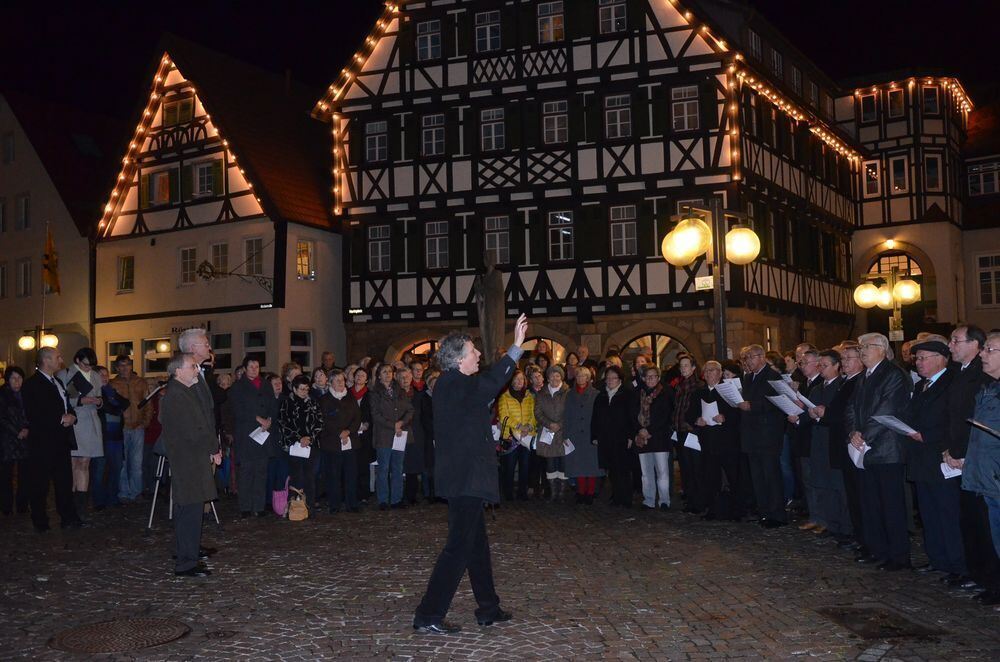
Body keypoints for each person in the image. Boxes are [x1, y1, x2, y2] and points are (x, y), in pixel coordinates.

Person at [412, 314, 527, 634]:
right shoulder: (452, 383)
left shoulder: (458, 385)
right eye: (473, 351)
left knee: (476, 546)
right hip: (464, 478)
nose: (478, 354)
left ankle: (488, 608)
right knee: (458, 548)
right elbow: (491, 383)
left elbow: (485, 388)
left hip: (467, 477)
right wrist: (515, 348)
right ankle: (428, 614)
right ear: (459, 359)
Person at [846, 333, 913, 570]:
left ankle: (898, 556)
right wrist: (853, 431)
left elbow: (888, 409)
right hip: (866, 448)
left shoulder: (894, 375)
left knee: (891, 504)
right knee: (871, 503)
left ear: (882, 350)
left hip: (887, 449)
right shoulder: (865, 376)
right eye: (860, 346)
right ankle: (878, 549)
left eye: (867, 346)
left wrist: (864, 435)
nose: (862, 350)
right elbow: (853, 407)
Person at [901, 339, 966, 578]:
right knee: (929, 512)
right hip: (920, 458)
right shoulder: (921, 386)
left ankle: (957, 564)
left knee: (948, 512)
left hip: (940, 456)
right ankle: (937, 558)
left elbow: (954, 420)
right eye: (917, 358)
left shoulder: (952, 383)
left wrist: (927, 435)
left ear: (941, 358)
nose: (918, 362)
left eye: (923, 358)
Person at [943, 325, 999, 600]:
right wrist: (951, 449)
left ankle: (992, 580)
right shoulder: (971, 379)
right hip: (972, 465)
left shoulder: (985, 381)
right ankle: (981, 576)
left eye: (990, 350)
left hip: (988, 469)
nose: (984, 355)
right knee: (975, 525)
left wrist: (962, 452)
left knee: (989, 529)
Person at [159, 353, 221, 577]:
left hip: (191, 459)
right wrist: (213, 448)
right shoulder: (176, 396)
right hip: (188, 461)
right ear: (178, 372)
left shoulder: (184, 391)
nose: (196, 370)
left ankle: (188, 555)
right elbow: (195, 430)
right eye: (191, 367)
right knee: (190, 512)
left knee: (191, 510)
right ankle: (186, 562)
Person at [22, 347, 82, 532]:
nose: (61, 359)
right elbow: (34, 413)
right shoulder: (32, 384)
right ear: (46, 360)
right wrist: (59, 419)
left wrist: (72, 416)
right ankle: (40, 521)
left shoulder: (57, 382)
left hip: (61, 441)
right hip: (42, 443)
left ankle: (68, 517)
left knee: (64, 481)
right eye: (57, 357)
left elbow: (66, 405)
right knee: (39, 483)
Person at [961, 330, 1000, 605]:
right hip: (985, 475)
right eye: (984, 349)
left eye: (990, 350)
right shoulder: (987, 388)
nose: (983, 355)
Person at [738, 344, 786, 528]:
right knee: (757, 476)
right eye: (746, 358)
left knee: (771, 475)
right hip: (751, 433)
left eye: (751, 357)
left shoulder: (773, 376)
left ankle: (777, 514)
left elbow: (776, 403)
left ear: (761, 357)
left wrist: (753, 406)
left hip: (767, 434)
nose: (748, 361)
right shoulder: (749, 378)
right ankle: (764, 511)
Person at [689, 361, 742, 520]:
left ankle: (736, 510)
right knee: (710, 477)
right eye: (706, 371)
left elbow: (739, 412)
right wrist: (697, 420)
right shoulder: (699, 393)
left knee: (733, 476)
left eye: (712, 370)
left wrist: (724, 417)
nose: (708, 373)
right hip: (708, 440)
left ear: (720, 373)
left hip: (727, 441)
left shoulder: (728, 390)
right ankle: (713, 509)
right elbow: (690, 413)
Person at [228, 357, 278, 517]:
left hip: (263, 433)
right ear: (244, 368)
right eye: (251, 366)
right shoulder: (237, 387)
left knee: (261, 471)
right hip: (247, 433)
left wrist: (269, 419)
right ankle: (245, 507)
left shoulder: (265, 384)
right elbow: (237, 410)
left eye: (257, 366)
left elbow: (272, 404)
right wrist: (257, 419)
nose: (254, 369)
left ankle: (259, 505)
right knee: (247, 471)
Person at [59, 348, 104, 516]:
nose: (88, 368)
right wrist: (79, 400)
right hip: (75, 420)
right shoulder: (65, 374)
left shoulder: (96, 375)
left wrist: (98, 401)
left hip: (91, 420)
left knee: (85, 462)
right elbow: (60, 399)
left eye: (91, 365)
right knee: (72, 463)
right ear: (77, 360)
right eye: (85, 365)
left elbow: (100, 398)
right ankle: (69, 504)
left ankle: (81, 505)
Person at [787, 349, 822, 531]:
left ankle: (820, 517)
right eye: (800, 363)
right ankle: (814, 514)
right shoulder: (805, 383)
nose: (801, 366)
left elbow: (814, 410)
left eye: (804, 362)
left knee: (814, 479)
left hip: (813, 438)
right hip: (802, 437)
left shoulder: (820, 383)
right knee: (806, 479)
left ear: (817, 363)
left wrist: (800, 414)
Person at [370, 364, 413, 510]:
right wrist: (392, 425)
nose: (388, 374)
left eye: (390, 371)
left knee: (397, 468)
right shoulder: (375, 393)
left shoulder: (399, 390)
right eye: (384, 372)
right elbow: (375, 414)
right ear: (379, 375)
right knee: (383, 468)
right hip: (384, 435)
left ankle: (396, 499)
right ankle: (383, 499)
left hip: (399, 434)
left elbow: (410, 410)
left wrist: (401, 423)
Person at [318, 370, 361, 513]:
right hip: (332, 443)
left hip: (350, 441)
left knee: (351, 474)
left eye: (342, 380)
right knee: (333, 474)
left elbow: (357, 418)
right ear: (330, 382)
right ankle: (334, 504)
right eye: (337, 380)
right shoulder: (324, 400)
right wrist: (339, 432)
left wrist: (348, 431)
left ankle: (352, 503)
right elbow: (324, 420)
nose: (341, 383)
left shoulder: (351, 398)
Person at [593, 365, 636, 507]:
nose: (610, 380)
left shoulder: (627, 395)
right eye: (608, 378)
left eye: (614, 378)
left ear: (620, 380)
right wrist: (595, 436)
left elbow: (632, 417)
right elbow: (595, 418)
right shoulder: (601, 396)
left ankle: (626, 497)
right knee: (611, 469)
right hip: (606, 437)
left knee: (623, 469)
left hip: (621, 437)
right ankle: (616, 496)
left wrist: (631, 436)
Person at [280, 375, 324, 513]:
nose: (305, 392)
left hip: (311, 445)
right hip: (295, 445)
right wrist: (299, 438)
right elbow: (284, 423)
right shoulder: (287, 403)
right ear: (294, 389)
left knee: (310, 476)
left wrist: (309, 437)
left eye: (307, 389)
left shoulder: (313, 403)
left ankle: (309, 505)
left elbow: (319, 421)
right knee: (297, 475)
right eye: (302, 389)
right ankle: (296, 507)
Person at [110, 354, 151, 502]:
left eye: (127, 364)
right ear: (117, 368)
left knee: (137, 462)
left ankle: (136, 491)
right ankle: (124, 492)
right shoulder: (113, 384)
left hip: (138, 427)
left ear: (131, 366)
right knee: (123, 462)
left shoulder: (140, 382)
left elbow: (147, 403)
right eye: (121, 365)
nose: (124, 368)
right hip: (121, 428)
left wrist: (145, 422)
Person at [635, 365, 675, 511]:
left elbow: (665, 416)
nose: (650, 379)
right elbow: (633, 414)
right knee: (646, 473)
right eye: (648, 376)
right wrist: (640, 430)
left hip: (659, 438)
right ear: (644, 378)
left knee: (662, 472)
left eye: (654, 376)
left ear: (658, 378)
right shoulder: (638, 393)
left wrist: (649, 430)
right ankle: (649, 500)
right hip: (643, 438)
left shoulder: (665, 394)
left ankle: (664, 500)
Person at [562, 365, 601, 504]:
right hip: (575, 434)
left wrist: (597, 435)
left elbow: (599, 417)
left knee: (591, 466)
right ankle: (580, 492)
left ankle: (590, 493)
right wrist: (565, 434)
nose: (580, 378)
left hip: (590, 434)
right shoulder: (569, 394)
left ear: (588, 378)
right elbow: (565, 415)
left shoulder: (596, 394)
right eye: (578, 376)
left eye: (583, 376)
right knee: (577, 465)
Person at [672, 354, 705, 513]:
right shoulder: (680, 386)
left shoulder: (698, 386)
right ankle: (691, 500)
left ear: (693, 368)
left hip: (692, 431)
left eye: (686, 365)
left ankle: (699, 501)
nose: (683, 368)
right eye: (681, 366)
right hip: (680, 430)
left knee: (696, 468)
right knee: (685, 468)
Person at [497, 370, 535, 502]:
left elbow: (533, 415)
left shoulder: (529, 397)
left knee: (525, 466)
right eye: (517, 379)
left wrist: (529, 426)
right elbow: (504, 417)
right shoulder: (504, 397)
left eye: (522, 379)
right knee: (510, 467)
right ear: (512, 381)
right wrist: (519, 426)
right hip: (511, 437)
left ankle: (522, 493)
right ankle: (508, 493)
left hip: (526, 436)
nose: (520, 382)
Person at [534, 365, 570, 501]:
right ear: (547, 378)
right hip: (547, 432)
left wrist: (559, 425)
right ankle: (553, 492)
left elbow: (570, 412)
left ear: (561, 377)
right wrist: (550, 424)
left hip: (563, 432)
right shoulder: (541, 394)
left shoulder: (568, 392)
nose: (554, 378)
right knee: (550, 463)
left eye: (557, 375)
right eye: (552, 375)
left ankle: (561, 493)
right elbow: (537, 412)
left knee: (563, 462)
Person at [398, 366, 431, 505]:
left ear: (411, 378)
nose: (405, 379)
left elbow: (424, 416)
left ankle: (411, 494)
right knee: (399, 464)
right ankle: (398, 495)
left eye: (407, 376)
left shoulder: (419, 396)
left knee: (413, 464)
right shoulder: (395, 396)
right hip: (399, 432)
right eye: (402, 377)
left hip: (416, 433)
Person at [0, 366, 30, 515]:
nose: (17, 382)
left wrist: (27, 429)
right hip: (7, 440)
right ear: (7, 380)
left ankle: (22, 506)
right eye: (13, 378)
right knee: (6, 475)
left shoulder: (26, 394)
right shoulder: (2, 395)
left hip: (25, 439)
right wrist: (17, 431)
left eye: (19, 378)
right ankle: (6, 507)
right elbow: (2, 418)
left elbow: (32, 414)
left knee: (25, 475)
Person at [350, 366, 374, 503]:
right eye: (357, 375)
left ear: (366, 380)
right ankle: (351, 492)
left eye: (363, 376)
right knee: (351, 465)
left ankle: (364, 493)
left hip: (364, 434)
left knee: (363, 465)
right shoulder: (347, 393)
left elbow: (371, 413)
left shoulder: (369, 395)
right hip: (351, 433)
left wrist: (367, 424)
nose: (359, 378)